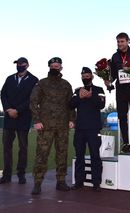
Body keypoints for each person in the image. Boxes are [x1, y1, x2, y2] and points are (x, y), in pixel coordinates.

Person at [30, 57, 75, 195]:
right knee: (41, 154)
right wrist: (36, 120)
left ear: (61, 68)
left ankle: (61, 181)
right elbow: (33, 101)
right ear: (49, 67)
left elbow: (71, 104)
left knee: (62, 154)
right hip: (46, 126)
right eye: (53, 66)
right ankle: (37, 183)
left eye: (57, 66)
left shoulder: (66, 84)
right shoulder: (42, 83)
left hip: (62, 126)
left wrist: (72, 119)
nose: (55, 68)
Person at [0, 57, 38, 184]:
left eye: (21, 64)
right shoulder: (10, 78)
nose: (19, 66)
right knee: (7, 147)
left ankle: (21, 174)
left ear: (27, 65)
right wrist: (8, 109)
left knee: (23, 147)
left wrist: (18, 110)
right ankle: (6, 175)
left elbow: (32, 99)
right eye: (17, 64)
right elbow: (3, 94)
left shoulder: (34, 80)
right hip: (9, 118)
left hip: (23, 117)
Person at [70, 67, 105, 191]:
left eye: (87, 76)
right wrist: (80, 97)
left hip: (93, 129)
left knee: (95, 155)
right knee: (79, 156)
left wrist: (90, 96)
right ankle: (79, 181)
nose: (85, 78)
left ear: (92, 76)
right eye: (83, 76)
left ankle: (96, 183)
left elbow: (101, 105)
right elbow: (70, 104)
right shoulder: (77, 90)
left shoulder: (99, 90)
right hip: (80, 129)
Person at [106, 32, 130, 153]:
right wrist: (108, 82)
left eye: (122, 41)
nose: (120, 44)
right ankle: (126, 142)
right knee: (122, 116)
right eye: (118, 42)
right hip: (121, 91)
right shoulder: (115, 56)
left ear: (127, 41)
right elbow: (113, 75)